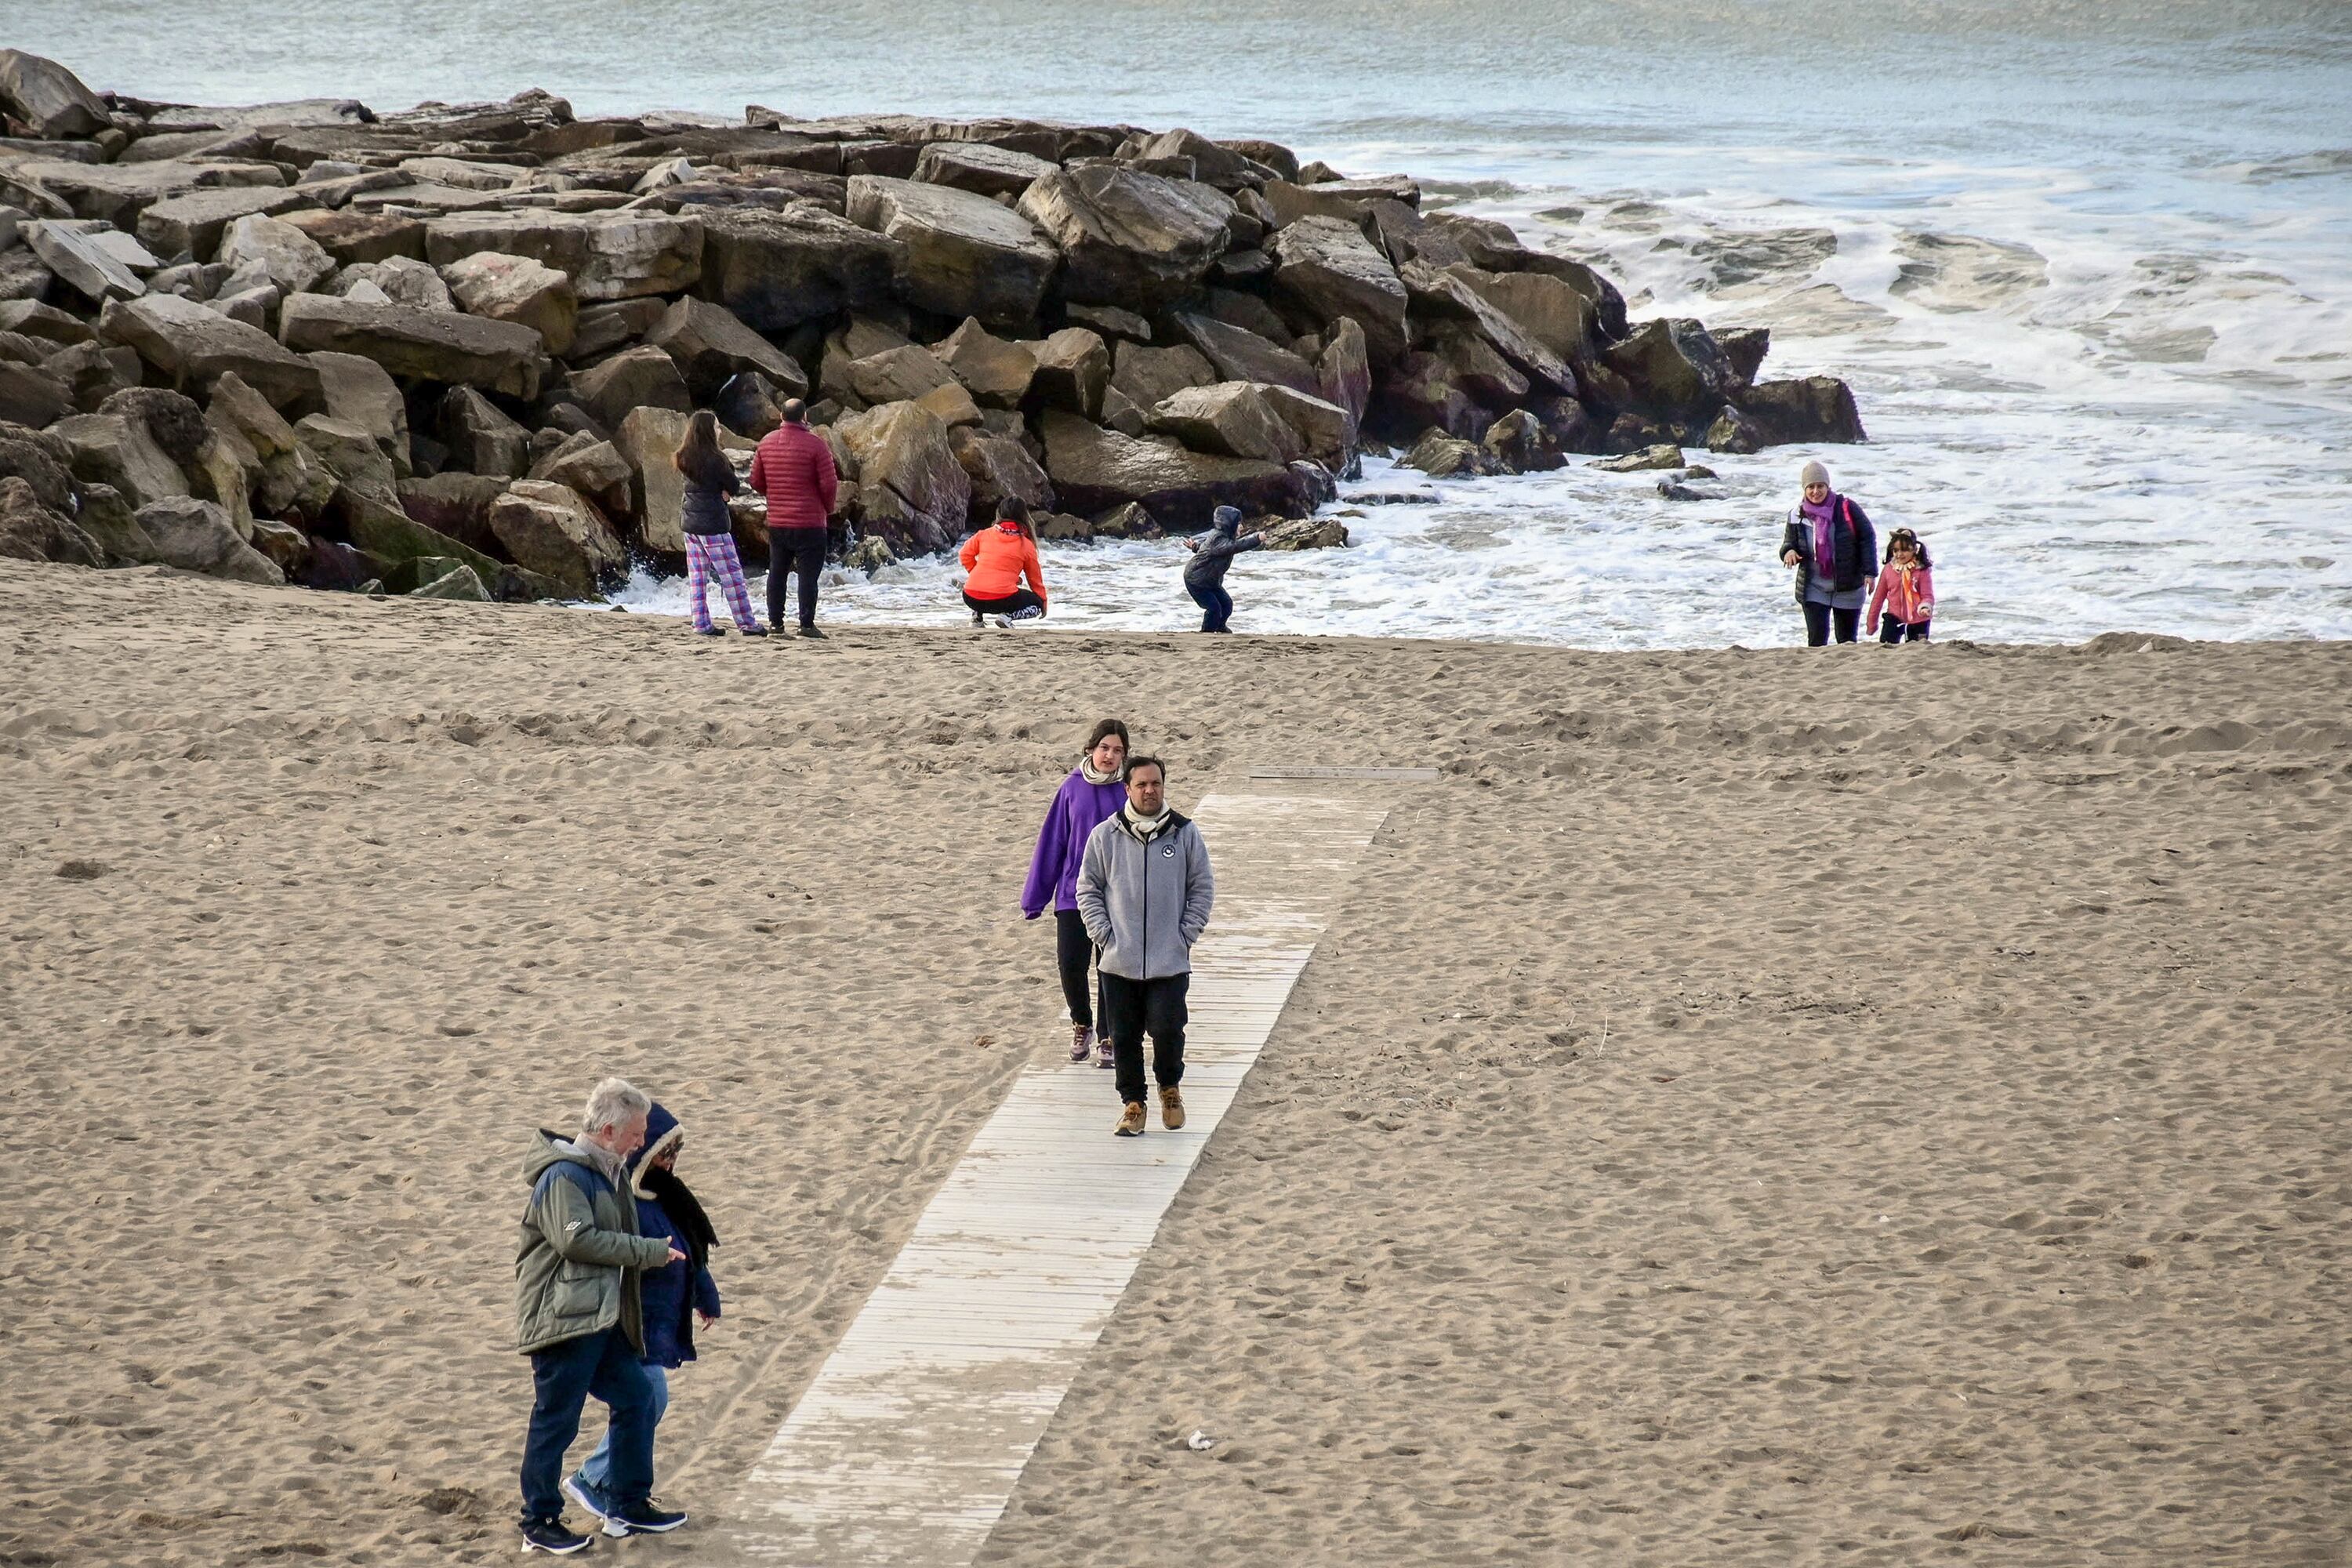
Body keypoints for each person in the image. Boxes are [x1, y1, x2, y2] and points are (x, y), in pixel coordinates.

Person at [515, 1078, 691, 1554]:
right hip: (564, 1320)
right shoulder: (564, 1176)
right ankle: (539, 1521)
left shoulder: (608, 1172)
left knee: (636, 1397)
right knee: (557, 1419)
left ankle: (627, 1504)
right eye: (636, 1134)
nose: (640, 1143)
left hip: (601, 1318)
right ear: (610, 1130)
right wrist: (648, 1253)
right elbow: (577, 1240)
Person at [564, 1102, 721, 1534]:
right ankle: (597, 1483)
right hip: (630, 1319)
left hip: (660, 1318)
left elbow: (693, 1254)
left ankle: (608, 1492)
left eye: (677, 1152)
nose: (671, 1163)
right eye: (664, 1153)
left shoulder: (670, 1197)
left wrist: (706, 1296)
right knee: (647, 1396)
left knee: (651, 1399)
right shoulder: (623, 1201)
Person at [1075, 756, 1214, 1137]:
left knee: (1169, 1028)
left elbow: (1201, 888)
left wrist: (1185, 934)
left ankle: (1170, 1089)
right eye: (1142, 785)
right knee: (1124, 1035)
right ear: (1128, 790)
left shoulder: (1184, 833)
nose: (1149, 791)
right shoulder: (1106, 835)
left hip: (1170, 959)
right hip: (1118, 960)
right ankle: (1133, 1104)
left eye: (1156, 784)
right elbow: (1087, 888)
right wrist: (1104, 935)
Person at [1022, 719, 1131, 1067]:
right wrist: (1035, 897)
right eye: (1104, 748)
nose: (1109, 755)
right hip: (1073, 892)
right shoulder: (1072, 787)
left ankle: (1108, 1036)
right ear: (1091, 749)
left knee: (1110, 967)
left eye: (1117, 751)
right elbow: (1053, 842)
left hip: (1118, 894)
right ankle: (1081, 1023)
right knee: (1071, 964)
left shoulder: (1130, 790)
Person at [747, 398, 838, 639]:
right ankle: (806, 624)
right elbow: (829, 484)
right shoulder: (816, 445)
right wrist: (826, 508)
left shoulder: (766, 443)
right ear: (805, 417)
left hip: (778, 521)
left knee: (777, 572)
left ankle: (776, 624)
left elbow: (755, 480)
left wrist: (775, 494)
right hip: (810, 521)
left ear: (781, 416)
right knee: (809, 576)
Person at [675, 412, 764, 639]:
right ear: (708, 431)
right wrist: (723, 492)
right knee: (732, 576)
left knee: (697, 577)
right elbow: (733, 485)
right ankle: (747, 623)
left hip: (690, 523)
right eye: (716, 427)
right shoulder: (716, 458)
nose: (720, 431)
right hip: (712, 523)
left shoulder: (684, 456)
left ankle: (701, 623)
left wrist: (720, 490)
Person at [1778, 459, 1878, 645]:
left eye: (1820, 486)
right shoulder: (1797, 514)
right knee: (1816, 641)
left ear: (1828, 486)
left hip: (1848, 586)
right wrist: (1789, 552)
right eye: (1811, 487)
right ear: (1804, 489)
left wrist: (1870, 573)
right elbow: (1788, 543)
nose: (1816, 491)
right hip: (1814, 587)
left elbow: (1867, 538)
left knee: (1846, 642)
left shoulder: (1847, 508)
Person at [959, 496, 1050, 626]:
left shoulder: (983, 535)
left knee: (983, 586)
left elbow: (964, 554)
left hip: (970, 597)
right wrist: (1043, 602)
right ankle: (1007, 617)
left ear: (999, 514)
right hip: (1002, 600)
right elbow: (1035, 579)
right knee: (1037, 604)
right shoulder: (1026, 545)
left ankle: (977, 617)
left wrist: (975, 573)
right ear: (1025, 517)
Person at [1182, 505, 1262, 633]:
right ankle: (1206, 634)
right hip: (1197, 580)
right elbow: (1236, 547)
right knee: (1214, 608)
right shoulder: (1219, 538)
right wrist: (1256, 539)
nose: (1241, 527)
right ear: (1229, 525)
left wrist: (1195, 546)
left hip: (1211, 580)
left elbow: (1207, 549)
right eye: (1238, 524)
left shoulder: (1223, 537)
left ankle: (1220, 627)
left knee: (1227, 604)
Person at [1867, 527, 1936, 643]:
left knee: (1919, 648)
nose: (1899, 554)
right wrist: (1871, 622)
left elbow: (1927, 595)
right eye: (1896, 550)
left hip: (1920, 619)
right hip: (1894, 617)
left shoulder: (1922, 570)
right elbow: (1878, 597)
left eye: (1904, 550)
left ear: (1915, 549)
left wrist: (1925, 607)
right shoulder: (1889, 569)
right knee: (1886, 645)